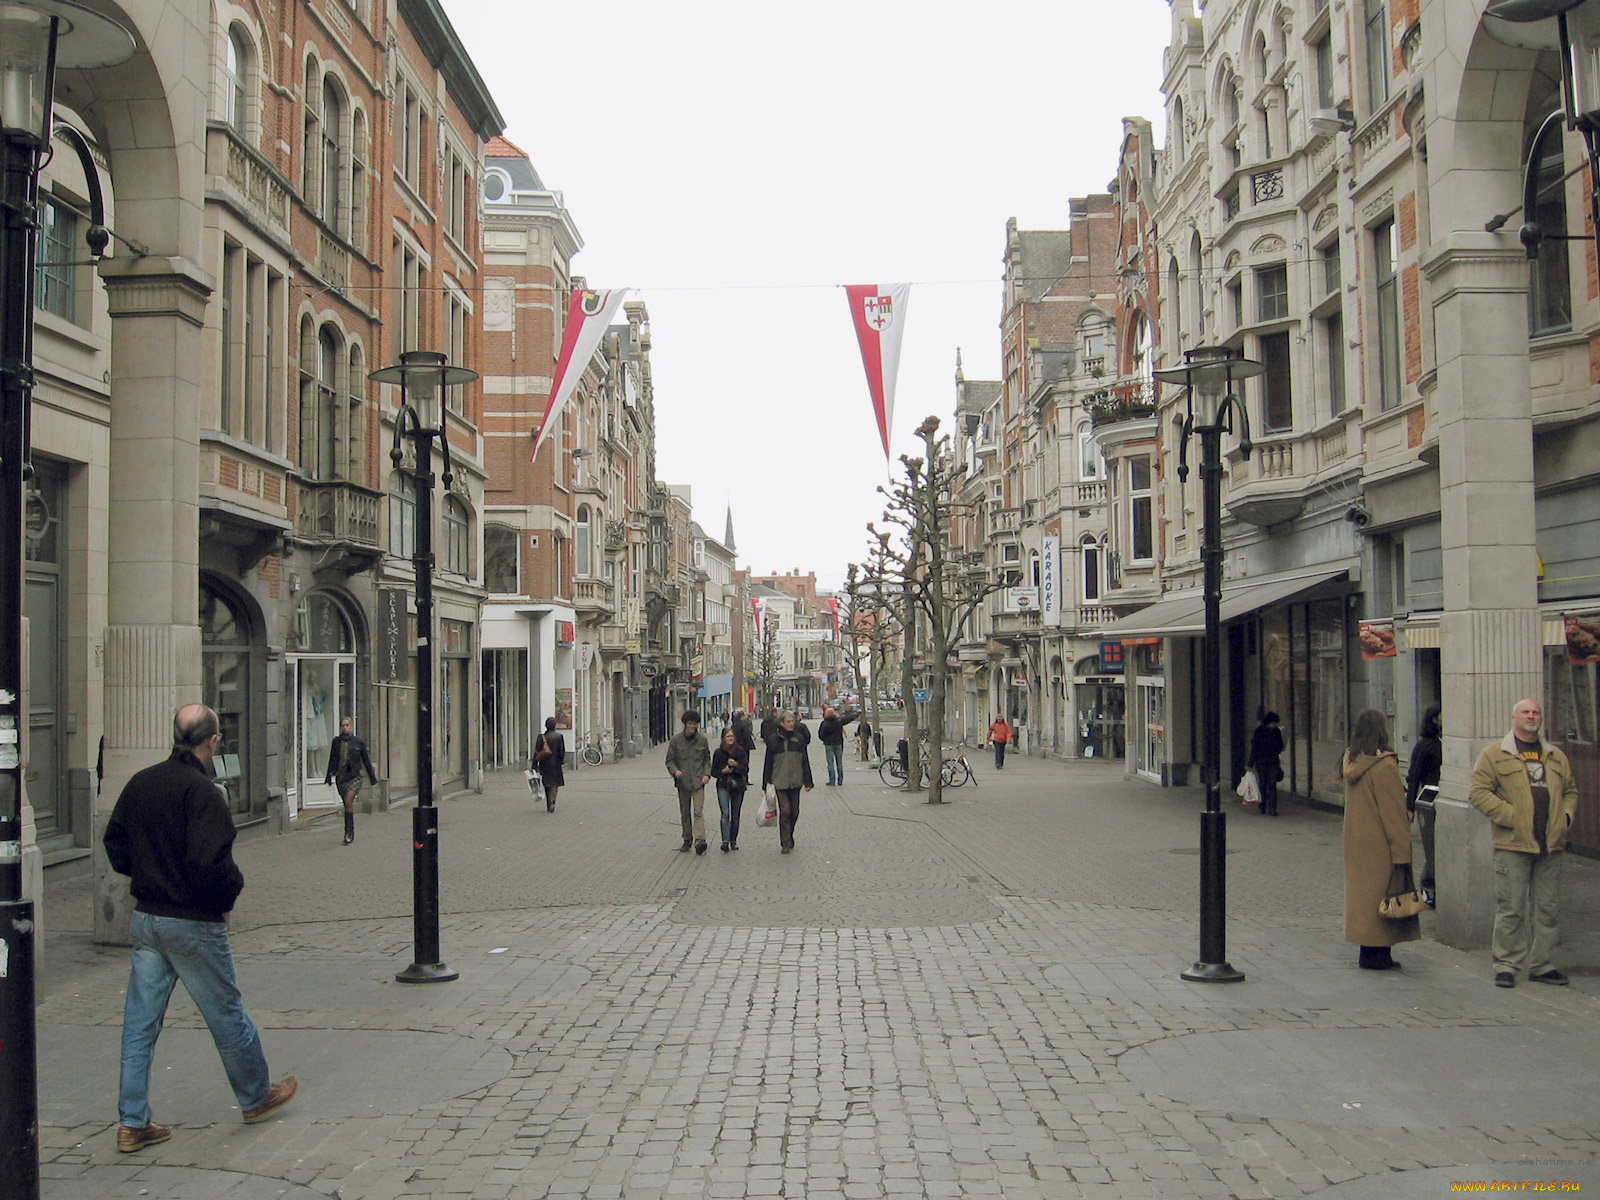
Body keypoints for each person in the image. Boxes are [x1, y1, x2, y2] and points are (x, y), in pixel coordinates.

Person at [103, 704, 298, 1153]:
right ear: (212, 741)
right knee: (226, 1013)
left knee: (139, 1023)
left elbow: (115, 843)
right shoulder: (204, 793)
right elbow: (212, 866)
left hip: (147, 917)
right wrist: (227, 894)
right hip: (191, 921)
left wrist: (147, 873)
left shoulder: (141, 783)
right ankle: (255, 1095)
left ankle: (132, 1121)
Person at [1469, 697, 1579, 988]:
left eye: (1536, 713)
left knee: (1547, 908)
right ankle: (1506, 964)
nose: (1531, 717)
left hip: (1551, 845)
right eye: (1526, 713)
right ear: (1514, 718)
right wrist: (1511, 815)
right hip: (1513, 845)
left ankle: (1542, 964)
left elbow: (1570, 791)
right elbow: (1478, 793)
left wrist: (1565, 818)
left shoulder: (1555, 756)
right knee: (1511, 908)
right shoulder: (1494, 755)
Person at [1341, 708, 1421, 971]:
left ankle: (1368, 951)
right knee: (1384, 898)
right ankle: (1379, 954)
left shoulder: (1352, 760)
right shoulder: (1383, 766)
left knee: (1365, 900)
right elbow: (1393, 814)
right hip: (1381, 846)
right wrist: (1402, 852)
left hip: (1358, 844)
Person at [1405, 704, 1443, 906]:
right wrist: (1409, 806)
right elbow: (1413, 776)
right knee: (1432, 846)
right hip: (1430, 801)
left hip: (1444, 799)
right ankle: (1428, 887)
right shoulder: (1425, 745)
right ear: (1435, 718)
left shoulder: (1446, 742)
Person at [762, 710, 814, 854]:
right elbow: (768, 763)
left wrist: (808, 781)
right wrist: (766, 783)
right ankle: (785, 842)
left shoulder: (799, 739)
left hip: (795, 781)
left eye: (792, 721)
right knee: (785, 811)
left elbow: (804, 761)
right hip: (779, 781)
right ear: (781, 723)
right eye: (788, 722)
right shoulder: (773, 740)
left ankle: (789, 834)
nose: (791, 724)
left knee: (795, 811)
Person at [323, 715, 378, 845]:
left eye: (347, 725)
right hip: (341, 777)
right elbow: (332, 759)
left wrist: (372, 778)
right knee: (346, 804)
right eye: (343, 725)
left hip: (355, 777)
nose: (345, 728)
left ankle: (349, 832)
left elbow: (366, 761)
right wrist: (328, 776)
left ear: (351, 727)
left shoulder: (358, 743)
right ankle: (348, 829)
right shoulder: (336, 742)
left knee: (348, 801)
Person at [665, 710, 713, 854]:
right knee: (685, 812)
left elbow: (707, 759)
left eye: (695, 724)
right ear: (685, 724)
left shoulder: (702, 740)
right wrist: (675, 771)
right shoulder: (676, 741)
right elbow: (669, 760)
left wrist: (707, 774)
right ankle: (687, 839)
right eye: (690, 724)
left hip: (698, 782)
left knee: (698, 811)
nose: (692, 726)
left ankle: (700, 840)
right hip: (683, 782)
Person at [712, 727, 750, 852]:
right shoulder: (718, 752)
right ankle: (725, 841)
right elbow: (713, 772)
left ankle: (733, 840)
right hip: (723, 784)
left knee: (735, 815)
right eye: (728, 736)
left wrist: (736, 766)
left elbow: (745, 769)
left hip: (738, 785)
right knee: (725, 813)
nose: (730, 739)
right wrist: (723, 771)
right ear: (723, 738)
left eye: (732, 736)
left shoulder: (740, 751)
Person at [1249, 712, 1285, 817]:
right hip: (1261, 762)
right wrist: (1250, 763)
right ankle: (1263, 805)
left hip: (1272, 762)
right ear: (1269, 722)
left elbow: (1280, 746)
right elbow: (1254, 748)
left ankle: (1272, 808)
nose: (1275, 725)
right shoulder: (1258, 732)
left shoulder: (1276, 732)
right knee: (1263, 784)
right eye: (1274, 723)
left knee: (1271, 784)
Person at [533, 717, 566, 813]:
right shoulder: (559, 736)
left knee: (547, 783)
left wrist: (534, 765)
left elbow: (536, 752)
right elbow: (562, 751)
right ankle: (553, 802)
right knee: (555, 784)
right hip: (556, 764)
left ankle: (548, 803)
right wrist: (561, 761)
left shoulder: (541, 737)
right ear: (554, 725)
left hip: (544, 764)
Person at [818, 706, 846, 785]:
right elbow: (847, 719)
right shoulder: (838, 721)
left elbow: (821, 734)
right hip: (838, 743)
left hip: (829, 744)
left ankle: (832, 780)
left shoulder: (825, 723)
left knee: (830, 762)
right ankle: (840, 779)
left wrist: (825, 740)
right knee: (839, 762)